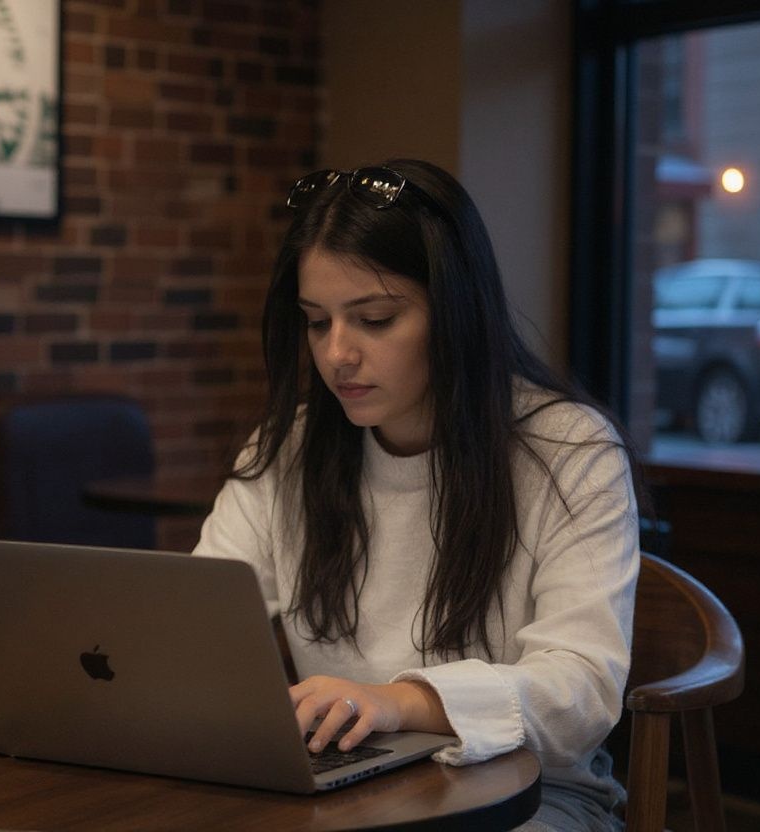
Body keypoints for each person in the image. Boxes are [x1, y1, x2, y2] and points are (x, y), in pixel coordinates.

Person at [193, 160, 642, 831]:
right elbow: (198, 617)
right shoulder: (289, 447)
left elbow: (581, 691)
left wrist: (397, 702)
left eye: (374, 319)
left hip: (531, 800)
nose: (338, 353)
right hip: (343, 797)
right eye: (317, 322)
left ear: (456, 312)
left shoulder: (568, 452)